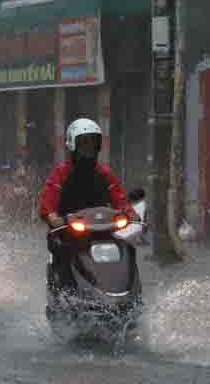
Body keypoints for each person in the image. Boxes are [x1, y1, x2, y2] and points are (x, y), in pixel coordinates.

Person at [39, 118, 138, 289]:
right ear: (73, 144)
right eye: (84, 142)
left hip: (103, 228)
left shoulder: (105, 173)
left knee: (128, 246)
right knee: (62, 250)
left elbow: (120, 199)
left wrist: (130, 213)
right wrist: (54, 217)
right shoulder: (61, 173)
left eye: (93, 142)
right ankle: (65, 294)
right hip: (69, 231)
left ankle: (130, 290)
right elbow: (48, 202)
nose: (89, 147)